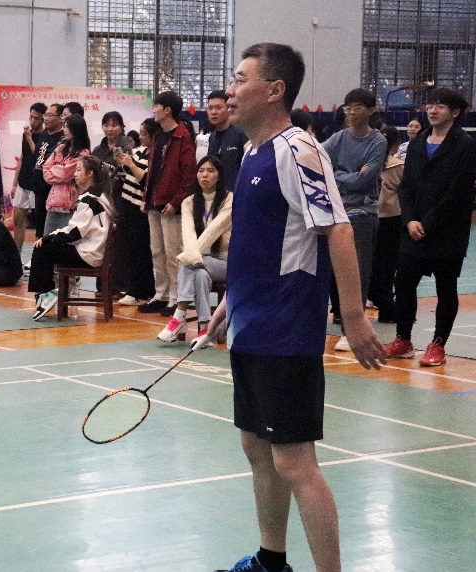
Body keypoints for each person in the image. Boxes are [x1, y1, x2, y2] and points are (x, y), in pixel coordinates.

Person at [207, 43, 385, 572]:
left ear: (274, 89)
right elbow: (260, 240)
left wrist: (353, 317)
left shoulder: (299, 151)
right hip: (251, 323)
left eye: (241, 79)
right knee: (256, 448)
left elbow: (338, 229)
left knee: (294, 460)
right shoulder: (252, 153)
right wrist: (229, 302)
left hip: (286, 327)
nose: (231, 90)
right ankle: (271, 561)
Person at [383, 88, 476, 367]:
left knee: (445, 287)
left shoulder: (465, 145)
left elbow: (458, 194)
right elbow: (406, 187)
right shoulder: (417, 142)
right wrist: (410, 220)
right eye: (430, 105)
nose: (433, 110)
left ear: (455, 112)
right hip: (413, 229)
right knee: (403, 283)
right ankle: (403, 339)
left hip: (447, 231)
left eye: (440, 106)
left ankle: (438, 344)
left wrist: (428, 223)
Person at [322, 88, 387, 351]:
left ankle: (353, 332)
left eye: (358, 108)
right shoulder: (337, 138)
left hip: (362, 213)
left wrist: (338, 174)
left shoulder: (378, 141)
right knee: (328, 271)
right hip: (334, 210)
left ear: (371, 110)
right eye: (348, 108)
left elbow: (364, 180)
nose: (351, 113)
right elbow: (319, 163)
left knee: (358, 272)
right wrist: (346, 174)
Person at [29, 155, 114, 320]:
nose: (75, 174)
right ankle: (47, 294)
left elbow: (74, 233)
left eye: (79, 170)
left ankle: (44, 295)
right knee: (47, 245)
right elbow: (74, 229)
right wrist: (51, 237)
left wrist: (47, 239)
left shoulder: (89, 199)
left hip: (88, 255)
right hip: (93, 252)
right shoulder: (101, 195)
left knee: (42, 248)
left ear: (90, 173)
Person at [157, 155, 232, 343]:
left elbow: (213, 231)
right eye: (201, 171)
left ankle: (179, 315)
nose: (204, 175)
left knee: (188, 262)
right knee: (199, 275)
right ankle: (205, 328)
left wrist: (190, 257)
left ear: (219, 175)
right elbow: (188, 235)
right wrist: (193, 258)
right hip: (201, 263)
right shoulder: (188, 202)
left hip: (225, 263)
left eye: (210, 171)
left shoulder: (230, 200)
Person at [138, 90, 196, 317]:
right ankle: (160, 295)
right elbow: (152, 171)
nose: (153, 110)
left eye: (157, 106)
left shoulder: (182, 137)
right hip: (154, 202)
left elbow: (188, 175)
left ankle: (176, 298)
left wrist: (176, 201)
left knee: (173, 254)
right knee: (157, 252)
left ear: (168, 110)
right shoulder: (159, 136)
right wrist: (146, 197)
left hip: (171, 205)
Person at [114, 118, 159, 306]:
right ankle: (133, 289)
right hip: (126, 202)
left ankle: (139, 292)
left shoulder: (156, 155)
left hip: (140, 208)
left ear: (153, 136)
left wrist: (131, 165)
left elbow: (145, 181)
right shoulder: (139, 151)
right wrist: (122, 163)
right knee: (126, 249)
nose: (140, 137)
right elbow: (127, 175)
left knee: (140, 251)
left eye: (144, 134)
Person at [367, 125, 405, 324]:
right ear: (396, 144)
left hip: (372, 218)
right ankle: (388, 308)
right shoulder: (398, 166)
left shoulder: (369, 163)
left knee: (373, 266)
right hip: (390, 220)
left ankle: (387, 308)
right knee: (386, 269)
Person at [42, 114, 91, 235]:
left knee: (66, 241)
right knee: (47, 241)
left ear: (76, 129)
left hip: (71, 206)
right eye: (64, 126)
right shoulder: (60, 148)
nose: (64, 129)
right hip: (54, 203)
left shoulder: (83, 153)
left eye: (67, 127)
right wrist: (61, 173)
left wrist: (56, 169)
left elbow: (65, 173)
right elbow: (46, 170)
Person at [10, 102, 46, 253]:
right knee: (18, 220)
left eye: (36, 118)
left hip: (37, 185)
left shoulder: (45, 137)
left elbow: (40, 157)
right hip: (23, 182)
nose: (32, 121)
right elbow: (22, 157)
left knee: (40, 224)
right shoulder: (26, 134)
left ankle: (38, 257)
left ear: (43, 119)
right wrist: (14, 183)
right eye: (31, 117)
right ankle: (16, 255)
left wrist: (30, 138)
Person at [31, 103, 65, 240]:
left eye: (50, 115)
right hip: (38, 188)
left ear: (60, 118)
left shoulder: (62, 138)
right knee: (39, 228)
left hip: (51, 190)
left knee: (50, 231)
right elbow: (37, 157)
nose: (46, 118)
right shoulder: (44, 134)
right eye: (45, 115)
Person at [205, 90, 249, 191]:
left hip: (237, 193)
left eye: (218, 108)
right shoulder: (212, 137)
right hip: (217, 193)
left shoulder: (242, 134)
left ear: (229, 108)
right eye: (210, 108)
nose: (213, 112)